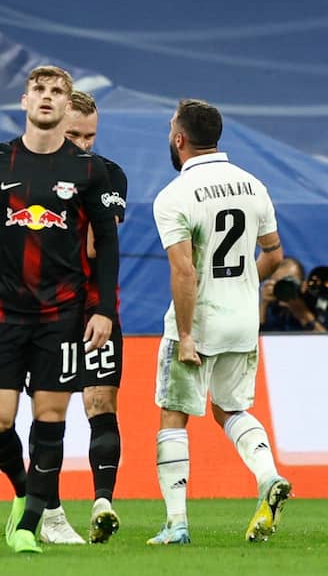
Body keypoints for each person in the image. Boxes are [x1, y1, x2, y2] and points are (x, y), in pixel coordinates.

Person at [0, 65, 120, 554]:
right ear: (25, 101)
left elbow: (106, 246)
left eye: (56, 92)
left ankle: (28, 525)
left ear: (67, 106)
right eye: (39, 91)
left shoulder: (89, 170)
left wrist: (103, 308)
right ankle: (30, 497)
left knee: (50, 419)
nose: (47, 98)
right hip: (4, 313)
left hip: (62, 314)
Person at [149, 99, 290, 545]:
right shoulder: (253, 185)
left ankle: (176, 525)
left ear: (179, 138)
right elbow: (275, 254)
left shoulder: (174, 196)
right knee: (230, 409)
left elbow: (184, 271)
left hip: (199, 324)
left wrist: (187, 334)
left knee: (173, 417)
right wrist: (247, 285)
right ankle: (268, 476)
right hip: (243, 322)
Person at [37, 90, 129, 545]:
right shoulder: (28, 168)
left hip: (90, 310)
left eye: (90, 135)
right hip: (50, 311)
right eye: (74, 134)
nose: (83, 143)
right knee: (74, 409)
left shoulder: (108, 175)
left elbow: (100, 243)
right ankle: (57, 512)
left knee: (94, 405)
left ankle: (101, 502)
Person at [260, 258, 327, 332]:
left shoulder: (316, 306)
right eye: (279, 283)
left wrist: (305, 316)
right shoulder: (265, 306)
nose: (285, 288)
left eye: (290, 282)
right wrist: (263, 305)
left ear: (303, 285)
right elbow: (251, 339)